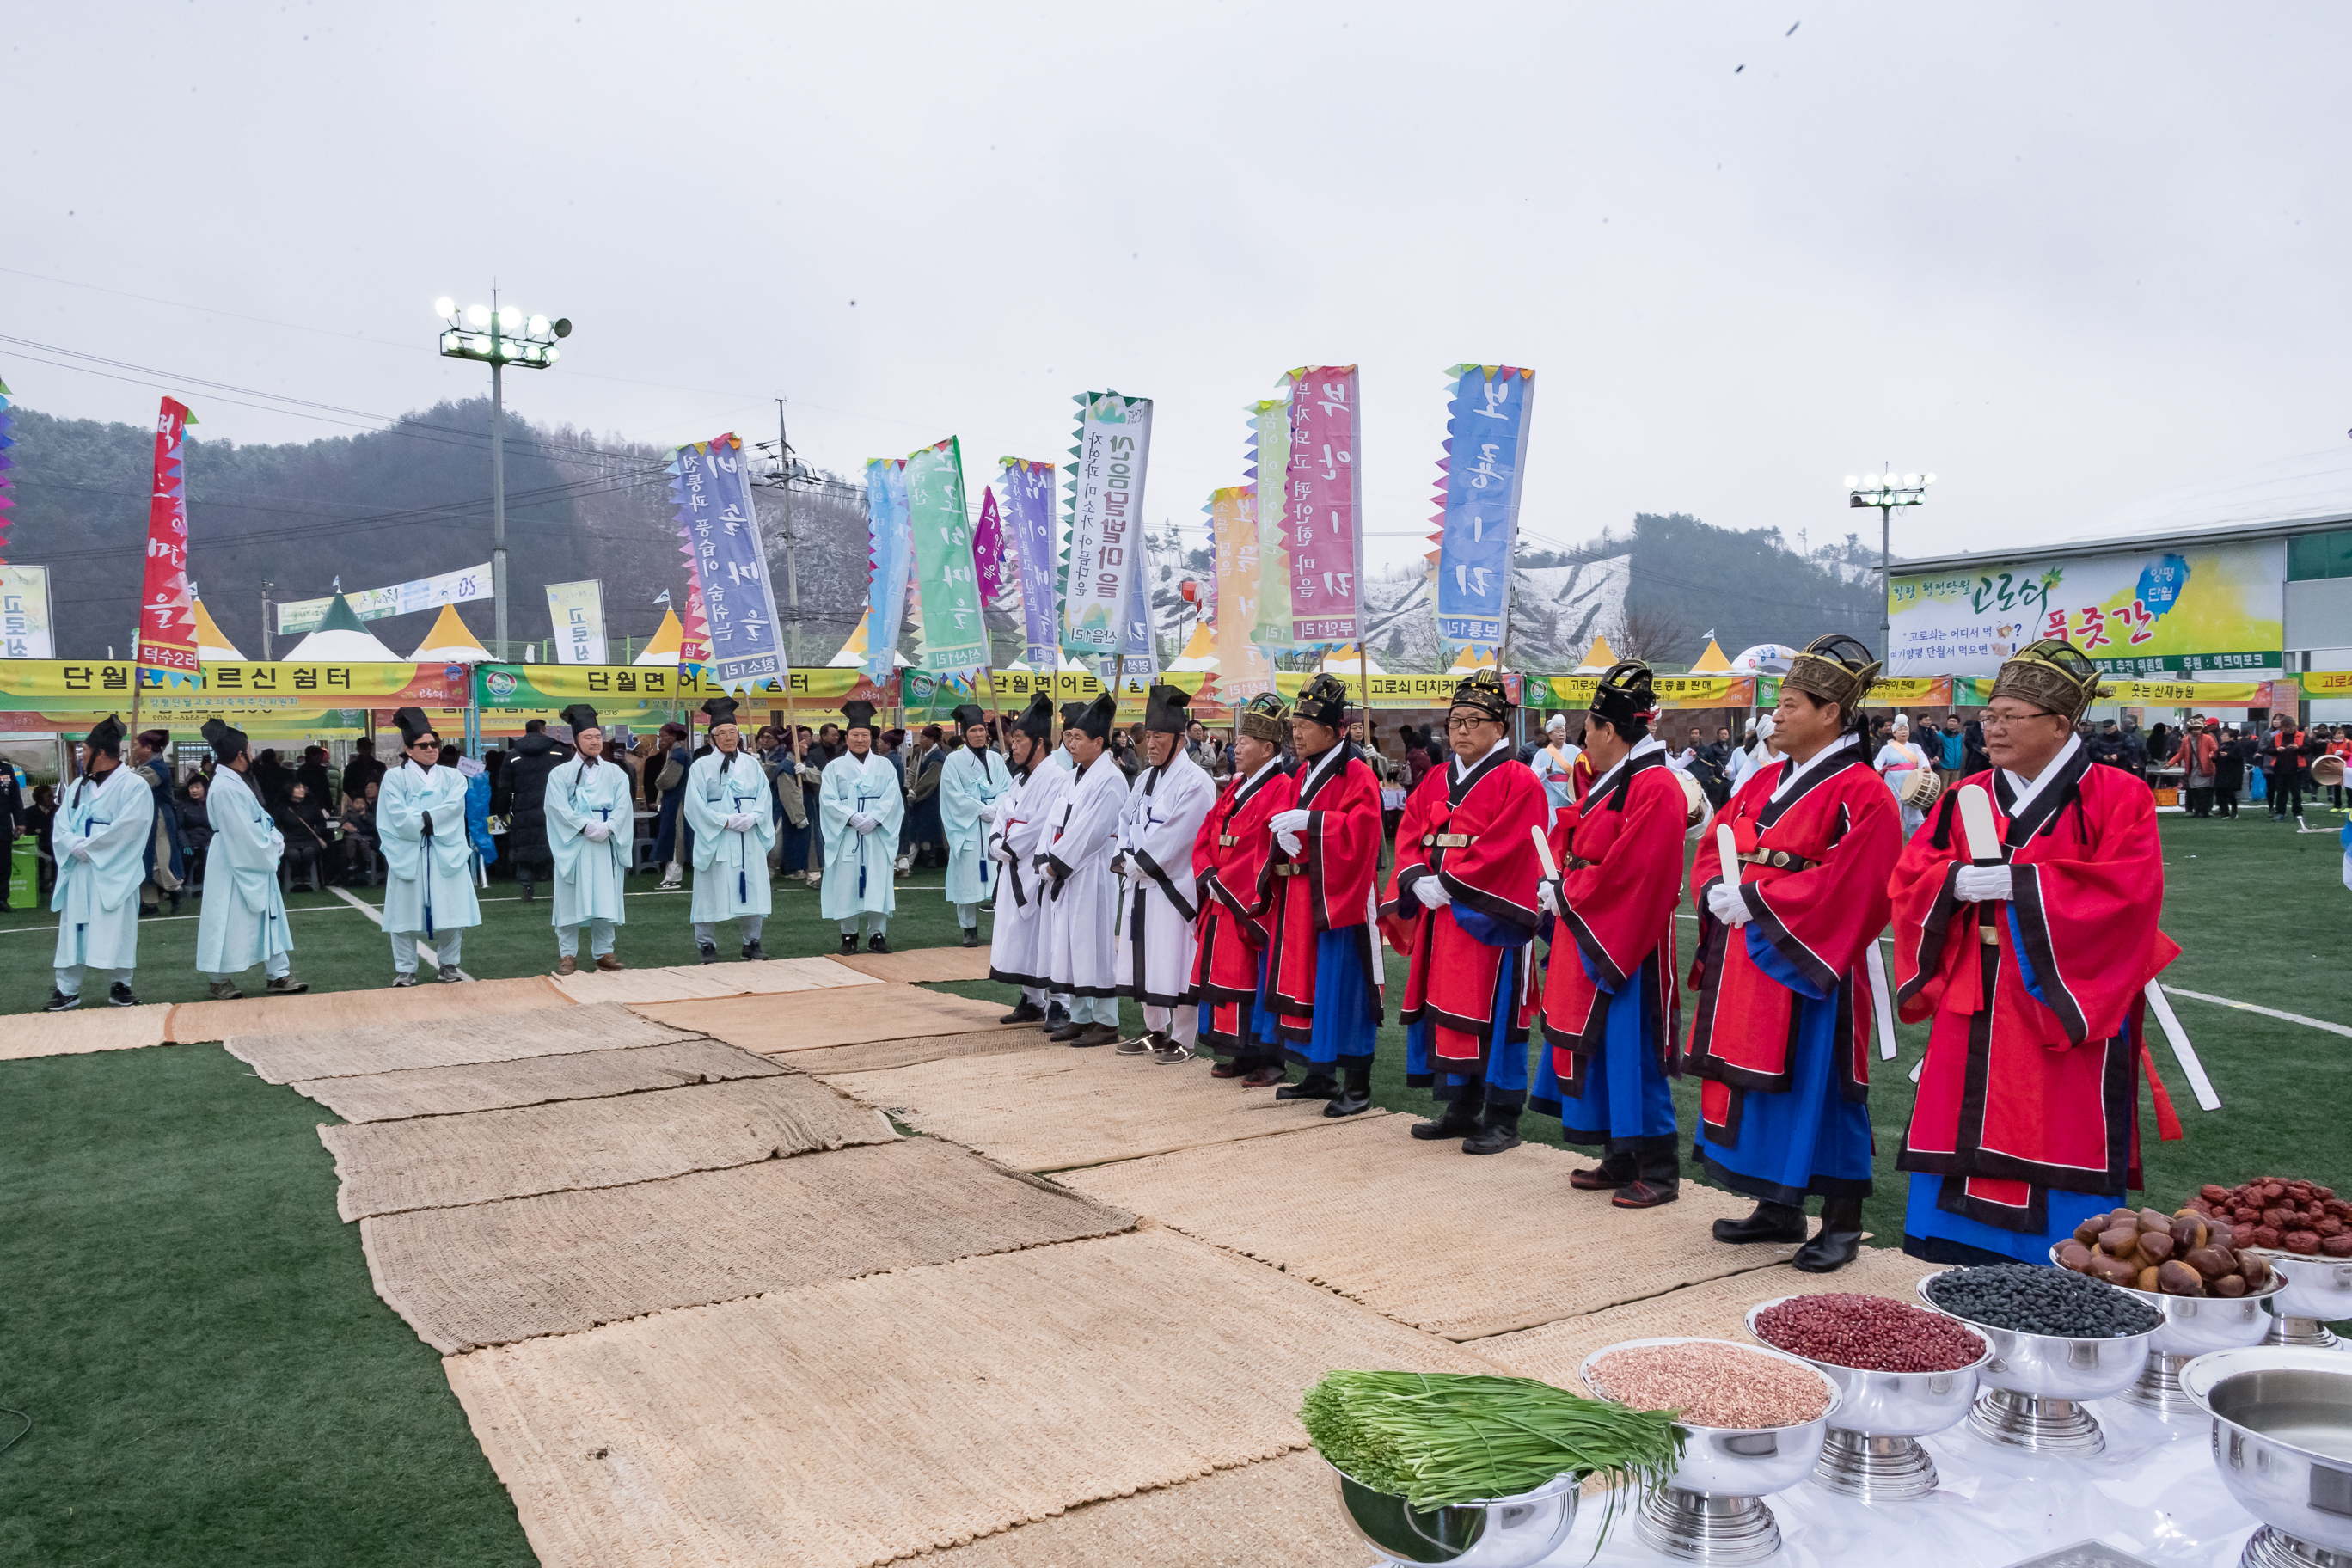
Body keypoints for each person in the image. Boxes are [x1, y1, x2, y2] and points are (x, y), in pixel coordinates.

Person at [1891, 638, 2177, 1265]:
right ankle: (1951, 1250)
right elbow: (1912, 875)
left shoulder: (2118, 794)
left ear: (2059, 723)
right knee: (1960, 1111)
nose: (1990, 729)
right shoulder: (1966, 795)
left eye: (2007, 717)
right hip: (1973, 983)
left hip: (2060, 992)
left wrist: (2025, 885)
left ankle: (2063, 1256)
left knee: (2058, 1116)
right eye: (1988, 717)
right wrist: (1953, 882)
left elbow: (2130, 895)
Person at [1681, 637, 1903, 1268]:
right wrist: (1717, 889)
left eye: (1790, 705)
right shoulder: (1762, 782)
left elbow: (1858, 883)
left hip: (1813, 960)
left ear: (1831, 712)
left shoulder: (1864, 793)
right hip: (1750, 952)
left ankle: (1841, 1221)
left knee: (1826, 1086)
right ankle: (1776, 1205)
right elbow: (1716, 843)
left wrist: (1759, 901)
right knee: (1761, 1087)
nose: (1775, 716)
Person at [1530, 660, 1690, 1204]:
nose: (1584, 744)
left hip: (1630, 936)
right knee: (1600, 1048)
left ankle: (1660, 1169)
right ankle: (1619, 1157)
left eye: (1589, 731)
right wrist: (1557, 874)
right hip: (1595, 921)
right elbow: (1573, 832)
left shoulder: (1656, 786)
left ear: (1610, 731)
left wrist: (1568, 891)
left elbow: (1636, 871)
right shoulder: (1616, 781)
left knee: (1635, 1050)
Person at [1381, 671, 1547, 1154]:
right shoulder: (1436, 776)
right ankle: (1458, 1107)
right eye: (1456, 720)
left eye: (1476, 721)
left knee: (1495, 1017)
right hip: (1441, 915)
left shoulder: (1520, 781)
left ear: (1501, 728)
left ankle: (1501, 1116)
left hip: (1489, 918)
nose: (1462, 730)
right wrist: (1415, 878)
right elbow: (1411, 829)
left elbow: (1512, 847)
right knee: (1446, 1012)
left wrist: (1449, 882)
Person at [1262, 674, 1386, 1111]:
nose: (1295, 732)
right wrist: (1286, 836)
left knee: (1347, 985)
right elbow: (1288, 816)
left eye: (1305, 726)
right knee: (1311, 984)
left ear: (1334, 730)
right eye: (1294, 724)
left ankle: (1357, 1086)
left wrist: (1311, 825)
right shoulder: (1304, 771)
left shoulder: (1357, 772)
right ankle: (1319, 1075)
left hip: (1342, 898)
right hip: (1303, 894)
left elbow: (1365, 830)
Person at [1191, 694, 1295, 1081]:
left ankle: (1268, 1058)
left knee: (1254, 975)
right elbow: (1208, 831)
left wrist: (1225, 880)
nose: (1236, 748)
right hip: (1221, 891)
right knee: (1225, 975)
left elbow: (1260, 842)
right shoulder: (1236, 787)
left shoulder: (1282, 787)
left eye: (1245, 743)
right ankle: (1238, 1052)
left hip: (1251, 901)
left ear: (1268, 748)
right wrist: (1206, 872)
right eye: (1237, 741)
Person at [1113, 684, 1216, 1063]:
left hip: (1174, 886)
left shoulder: (1196, 781)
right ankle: (1154, 1030)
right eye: (1149, 735)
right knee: (1142, 956)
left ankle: (1184, 1037)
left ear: (1177, 739)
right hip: (1140, 882)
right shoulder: (1144, 779)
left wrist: (1138, 862)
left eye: (1158, 736)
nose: (1150, 743)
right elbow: (1124, 820)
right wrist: (1124, 855)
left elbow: (1181, 833)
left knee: (1177, 958)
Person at [46, 715, 156, 1011]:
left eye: (84, 750)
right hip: (81, 870)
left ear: (102, 753)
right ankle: (66, 988)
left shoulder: (134, 786)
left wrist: (92, 848)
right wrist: (73, 846)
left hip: (115, 870)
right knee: (75, 928)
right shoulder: (78, 786)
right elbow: (61, 825)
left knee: (118, 927)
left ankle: (121, 984)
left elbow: (131, 827)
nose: (81, 755)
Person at [1038, 693, 1129, 1048]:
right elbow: (1054, 821)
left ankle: (1106, 1021)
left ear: (1098, 742)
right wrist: (1044, 857)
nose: (1070, 744)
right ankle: (1080, 1016)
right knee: (1070, 944)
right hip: (1065, 871)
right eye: (1068, 737)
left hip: (1093, 872)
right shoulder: (1069, 777)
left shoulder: (1112, 779)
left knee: (1097, 943)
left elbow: (1090, 831)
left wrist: (1056, 863)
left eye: (1078, 738)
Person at [193, 718, 306, 1000]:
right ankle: (219, 980)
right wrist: (269, 847)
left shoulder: (237, 781)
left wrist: (274, 839)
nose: (253, 753)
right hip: (233, 858)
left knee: (270, 915)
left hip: (250, 852)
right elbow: (242, 832)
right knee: (226, 916)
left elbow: (258, 819)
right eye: (249, 749)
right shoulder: (225, 787)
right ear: (241, 755)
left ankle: (278, 975)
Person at [377, 707, 480, 985]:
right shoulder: (394, 778)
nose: (431, 749)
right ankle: (406, 968)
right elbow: (393, 815)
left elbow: (454, 807)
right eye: (423, 745)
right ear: (409, 750)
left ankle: (448, 963)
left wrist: (423, 817)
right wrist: (426, 820)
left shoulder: (453, 777)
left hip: (445, 850)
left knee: (452, 910)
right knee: (402, 913)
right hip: (409, 851)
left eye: (435, 744)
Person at [988, 696, 1063, 1023]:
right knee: (1020, 934)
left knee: (1046, 934)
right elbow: (1002, 815)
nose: (1013, 747)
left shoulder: (1057, 778)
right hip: (1013, 866)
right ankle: (1032, 998)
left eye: (1019, 740)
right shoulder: (1018, 779)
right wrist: (995, 841)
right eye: (1013, 740)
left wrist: (1007, 846)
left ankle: (1060, 1002)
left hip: (1037, 866)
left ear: (1039, 743)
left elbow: (1040, 824)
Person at [687, 696, 780, 961]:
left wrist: (753, 817)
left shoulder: (751, 764)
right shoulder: (701, 766)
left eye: (733, 732)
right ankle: (706, 944)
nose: (729, 738)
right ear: (711, 738)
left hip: (748, 834)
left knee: (752, 886)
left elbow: (765, 796)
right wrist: (725, 820)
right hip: (718, 835)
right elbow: (694, 805)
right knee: (708, 890)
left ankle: (752, 942)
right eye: (722, 733)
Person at [543, 702, 631, 976]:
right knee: (570, 899)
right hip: (576, 843)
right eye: (587, 737)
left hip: (605, 840)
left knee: (605, 898)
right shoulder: (560, 774)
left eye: (597, 737)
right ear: (575, 741)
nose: (594, 742)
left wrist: (610, 827)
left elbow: (623, 806)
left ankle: (604, 951)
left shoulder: (616, 772)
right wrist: (583, 826)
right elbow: (556, 808)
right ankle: (567, 954)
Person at [818, 699, 903, 952]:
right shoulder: (834, 768)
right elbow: (828, 800)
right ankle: (848, 935)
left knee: (878, 880)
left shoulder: (885, 765)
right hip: (847, 833)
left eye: (865, 735)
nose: (860, 740)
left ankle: (877, 934)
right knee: (847, 882)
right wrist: (851, 817)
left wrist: (875, 818)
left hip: (876, 832)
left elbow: (893, 797)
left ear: (872, 738)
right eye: (855, 735)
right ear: (847, 737)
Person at [939, 704, 1013, 947]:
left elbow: (1008, 789)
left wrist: (997, 807)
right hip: (968, 826)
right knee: (966, 879)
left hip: (994, 824)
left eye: (981, 730)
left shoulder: (996, 759)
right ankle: (968, 928)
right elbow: (952, 794)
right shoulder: (953, 760)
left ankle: (1002, 929)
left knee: (999, 880)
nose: (979, 735)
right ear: (964, 734)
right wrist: (979, 809)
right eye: (973, 731)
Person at [499, 717, 564, 901]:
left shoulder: (512, 755)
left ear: (526, 731)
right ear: (543, 730)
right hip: (554, 809)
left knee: (523, 848)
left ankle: (527, 885)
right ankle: (558, 886)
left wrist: (502, 812)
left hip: (522, 809)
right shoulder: (559, 751)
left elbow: (504, 788)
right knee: (555, 845)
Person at [132, 729, 186, 916]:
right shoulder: (146, 765)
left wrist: (125, 775)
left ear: (148, 747)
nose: (133, 749)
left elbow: (136, 787)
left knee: (159, 856)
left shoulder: (157, 768)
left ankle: (174, 888)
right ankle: (149, 901)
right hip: (146, 816)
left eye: (136, 745)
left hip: (158, 817)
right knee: (144, 856)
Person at [651, 721, 692, 890]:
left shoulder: (678, 756)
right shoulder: (675, 754)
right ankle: (671, 875)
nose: (661, 739)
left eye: (664, 736)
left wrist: (659, 781)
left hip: (677, 802)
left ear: (673, 736)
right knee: (670, 837)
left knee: (675, 839)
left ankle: (674, 877)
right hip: (672, 802)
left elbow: (666, 781)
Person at [903, 725, 947, 870]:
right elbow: (912, 773)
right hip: (920, 800)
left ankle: (931, 858)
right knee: (918, 829)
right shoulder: (920, 754)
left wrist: (914, 793)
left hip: (932, 800)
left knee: (929, 829)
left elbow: (929, 781)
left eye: (923, 737)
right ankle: (913, 860)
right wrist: (908, 789)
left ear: (931, 739)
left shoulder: (938, 758)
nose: (920, 740)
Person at [278, 781, 334, 893]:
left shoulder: (312, 805)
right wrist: (283, 836)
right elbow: (277, 825)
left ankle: (307, 874)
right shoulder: (283, 807)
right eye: (298, 788)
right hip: (290, 840)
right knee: (293, 854)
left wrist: (316, 832)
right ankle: (295, 875)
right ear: (290, 790)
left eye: (303, 788)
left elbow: (322, 823)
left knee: (309, 852)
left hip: (309, 839)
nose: (302, 790)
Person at [1528, 713, 1583, 824]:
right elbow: (1532, 774)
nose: (1561, 734)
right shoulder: (1541, 753)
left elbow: (1583, 771)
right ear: (1550, 735)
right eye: (1557, 732)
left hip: (1570, 795)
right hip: (1551, 797)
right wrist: (1544, 771)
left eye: (1563, 731)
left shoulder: (1576, 751)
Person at [2266, 714, 2310, 820]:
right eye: (2285, 728)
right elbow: (2268, 750)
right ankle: (2280, 813)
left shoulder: (2302, 736)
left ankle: (2297, 813)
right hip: (2280, 768)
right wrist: (2277, 750)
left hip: (2297, 769)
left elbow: (2308, 749)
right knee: (2281, 792)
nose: (2288, 730)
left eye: (2291, 727)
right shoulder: (2276, 737)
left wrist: (2298, 748)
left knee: (2296, 792)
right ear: (2281, 728)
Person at [175, 777, 214, 892]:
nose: (194, 790)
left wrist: (210, 842)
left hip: (208, 841)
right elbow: (179, 827)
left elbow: (216, 827)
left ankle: (204, 887)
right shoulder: (184, 806)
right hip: (190, 840)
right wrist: (185, 844)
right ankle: (184, 887)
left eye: (197, 787)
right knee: (187, 857)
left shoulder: (211, 804)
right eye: (191, 788)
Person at [28, 784, 59, 902]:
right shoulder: (29, 813)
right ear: (39, 798)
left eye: (52, 796)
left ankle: (54, 882)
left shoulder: (59, 810)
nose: (52, 799)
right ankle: (42, 883)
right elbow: (28, 831)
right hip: (38, 846)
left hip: (55, 844)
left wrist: (41, 830)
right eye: (48, 796)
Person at [0, 750, 21, 912]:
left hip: (3, 826)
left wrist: (20, 822)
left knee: (4, 864)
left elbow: (15, 798)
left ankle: (2, 899)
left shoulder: (6, 770)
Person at [2186, 720, 2220, 818]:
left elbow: (2215, 750)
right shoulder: (2189, 739)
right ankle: (2198, 810)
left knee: (2204, 790)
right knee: (2196, 791)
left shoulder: (2209, 737)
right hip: (2195, 767)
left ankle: (2204, 810)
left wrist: (2210, 757)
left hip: (2206, 767)